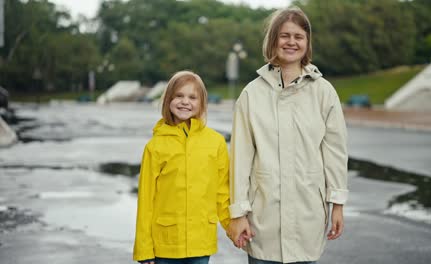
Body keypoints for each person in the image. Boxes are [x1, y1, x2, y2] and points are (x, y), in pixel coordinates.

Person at [227, 6, 349, 264]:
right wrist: (238, 214)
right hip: (263, 221)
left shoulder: (324, 92)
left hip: (307, 216)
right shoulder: (252, 94)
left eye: (298, 36)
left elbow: (335, 152)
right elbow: (240, 158)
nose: (291, 42)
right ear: (273, 41)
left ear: (307, 43)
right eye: (284, 35)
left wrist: (337, 203)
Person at [133, 71, 230, 264]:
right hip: (165, 244)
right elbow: (146, 201)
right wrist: (144, 250)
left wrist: (233, 227)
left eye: (192, 97)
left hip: (200, 242)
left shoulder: (216, 142)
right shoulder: (155, 146)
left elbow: (222, 192)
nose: (185, 102)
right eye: (179, 96)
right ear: (168, 100)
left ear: (202, 103)